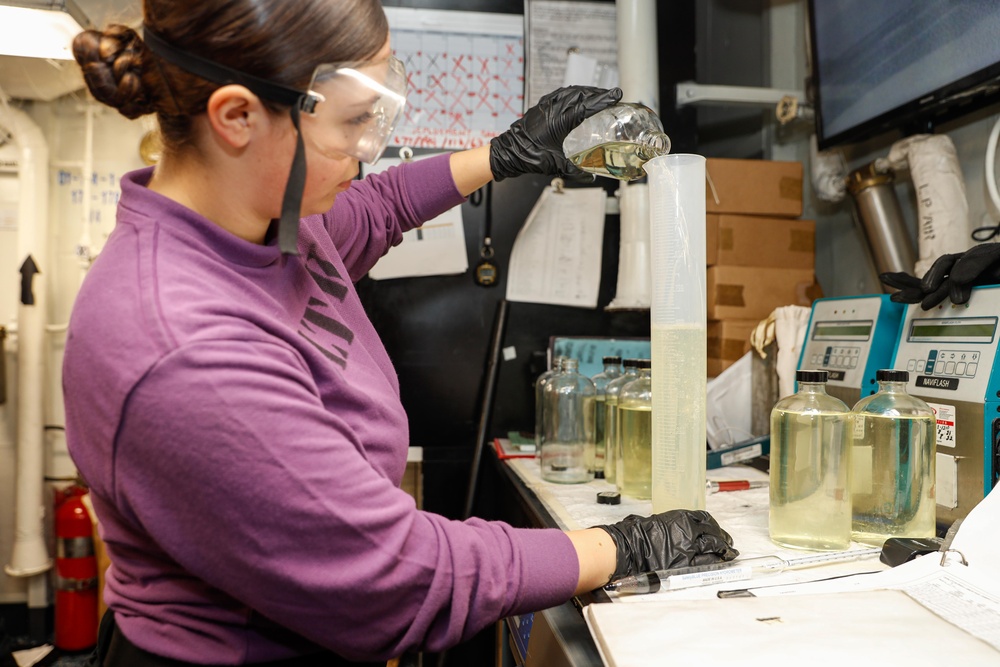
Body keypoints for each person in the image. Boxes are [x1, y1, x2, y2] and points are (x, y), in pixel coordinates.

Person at [64, 1, 737, 665]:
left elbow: (380, 207)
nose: (365, 152)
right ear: (237, 116)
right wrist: (625, 546)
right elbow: (398, 576)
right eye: (353, 123)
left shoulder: (280, 224)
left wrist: (506, 155)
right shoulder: (183, 344)